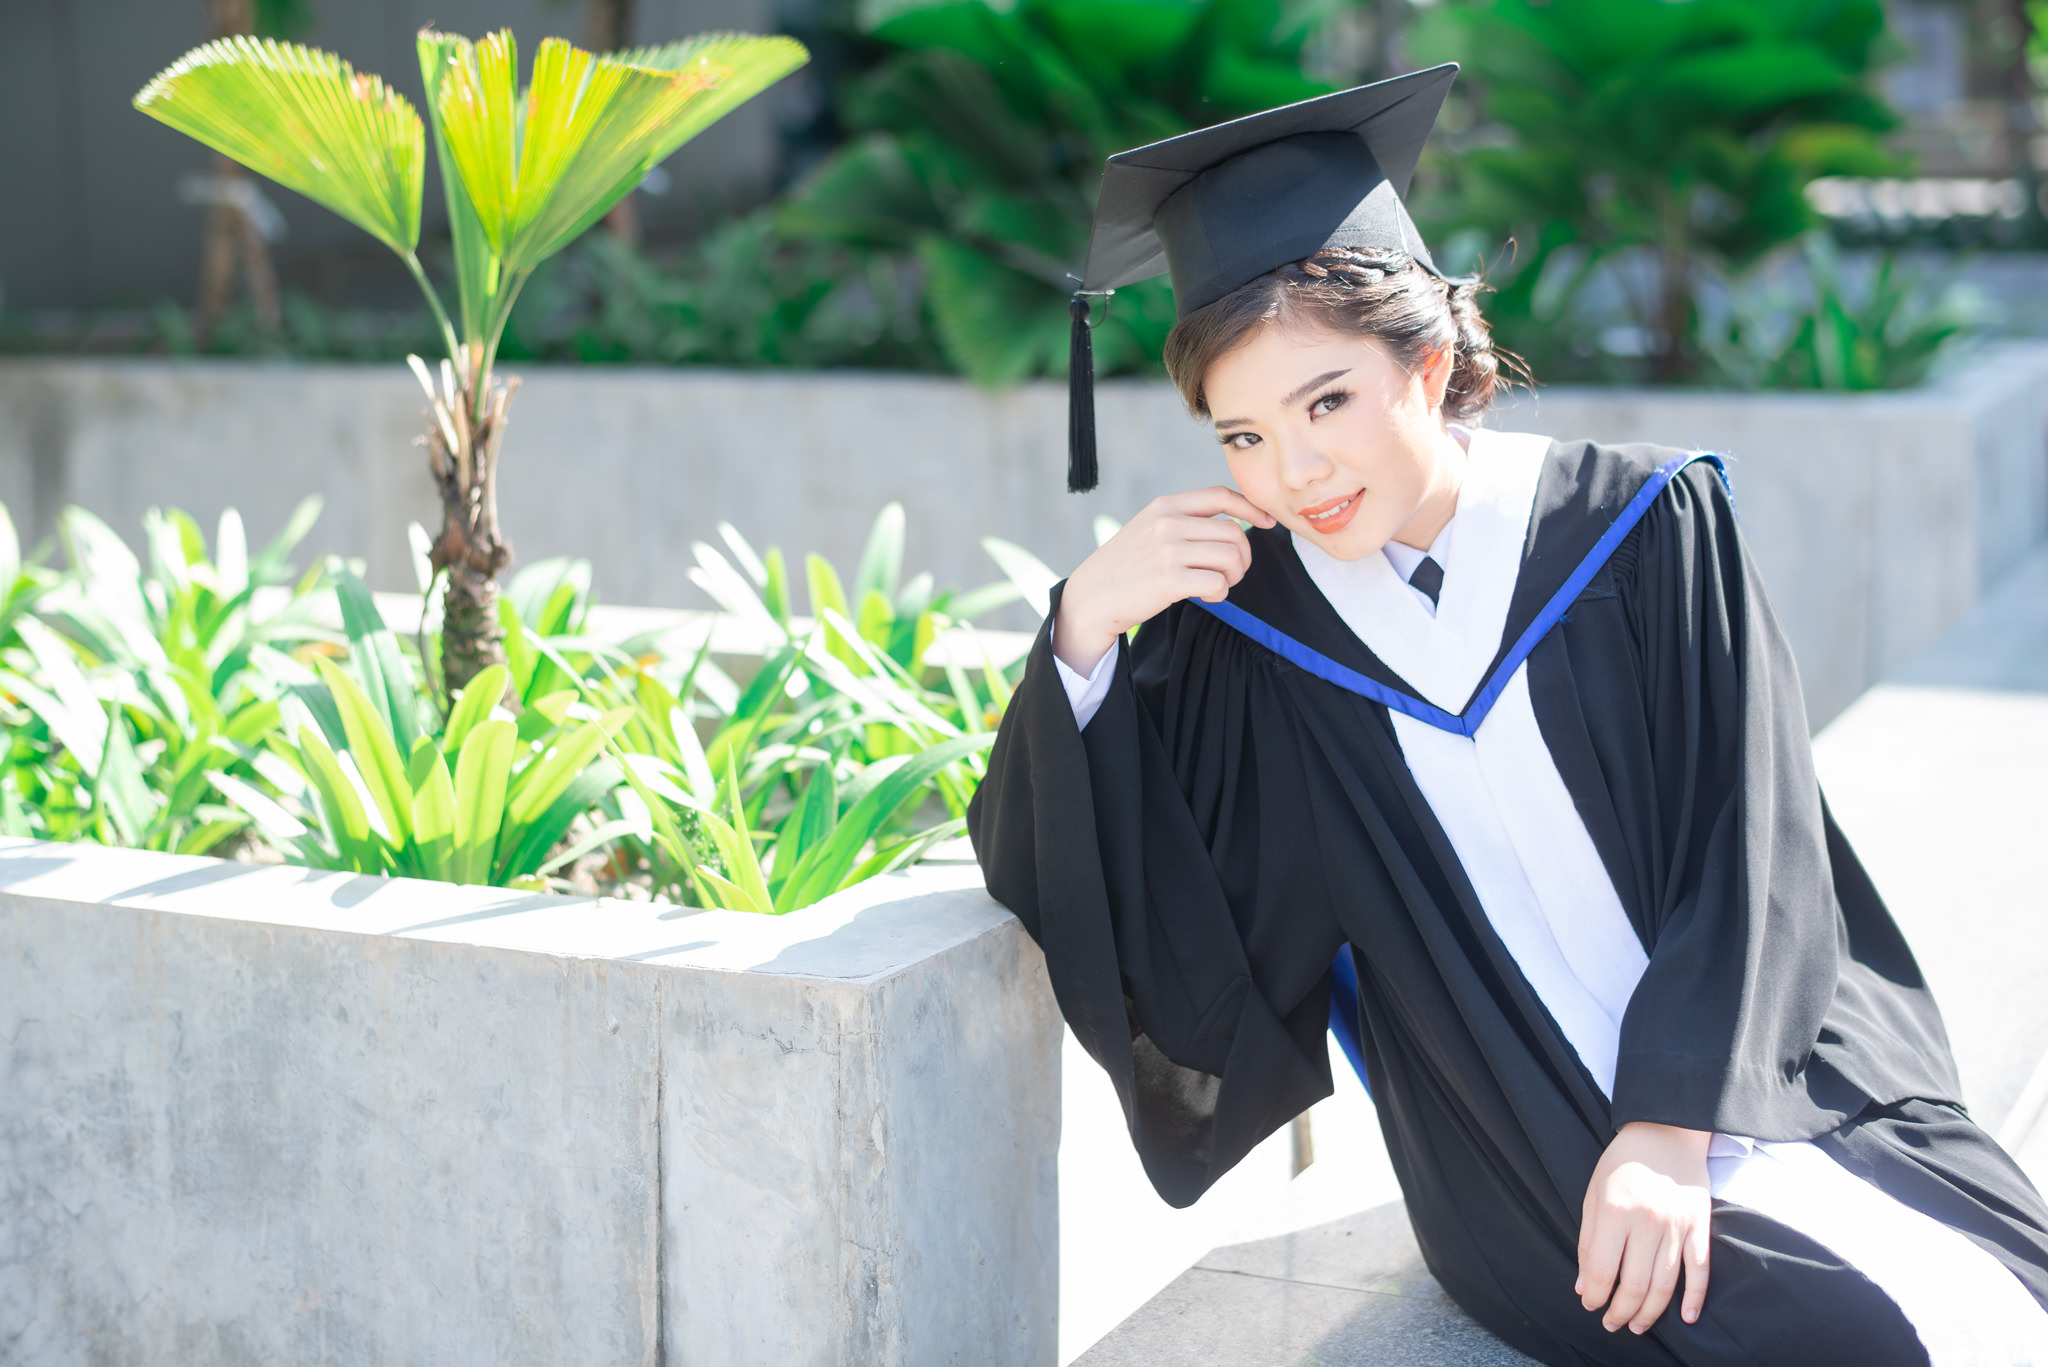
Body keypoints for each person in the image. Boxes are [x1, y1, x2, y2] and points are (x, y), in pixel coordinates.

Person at [966, 65, 2048, 1364]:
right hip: (1513, 1138)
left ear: (1430, 365)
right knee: (1862, 1333)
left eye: (1327, 405)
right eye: (1241, 435)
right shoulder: (1254, 639)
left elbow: (1751, 838)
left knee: (1998, 1276)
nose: (1294, 473)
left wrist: (1673, 1119)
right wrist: (1082, 629)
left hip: (1757, 1061)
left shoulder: (1644, 526)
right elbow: (1158, 922)